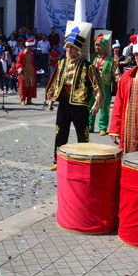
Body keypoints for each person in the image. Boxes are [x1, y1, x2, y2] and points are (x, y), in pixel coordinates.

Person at [46, 22, 103, 171]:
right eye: (67, 47)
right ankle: (57, 160)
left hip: (80, 105)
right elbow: (56, 81)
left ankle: (83, 161)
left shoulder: (87, 66)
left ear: (78, 49)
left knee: (82, 134)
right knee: (60, 132)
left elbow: (98, 86)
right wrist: (51, 99)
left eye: (72, 47)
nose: (69, 50)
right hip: (64, 102)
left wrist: (97, 103)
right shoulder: (61, 63)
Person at [89, 33, 119, 135]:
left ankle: (103, 127)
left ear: (104, 47)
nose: (97, 47)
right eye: (96, 45)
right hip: (92, 86)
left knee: (104, 107)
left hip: (104, 86)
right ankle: (89, 125)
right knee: (90, 106)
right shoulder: (92, 57)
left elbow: (116, 74)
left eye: (99, 45)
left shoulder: (110, 60)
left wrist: (121, 84)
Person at [17, 38, 38, 105]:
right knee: (24, 87)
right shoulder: (22, 54)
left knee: (30, 86)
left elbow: (33, 63)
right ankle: (22, 100)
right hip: (24, 72)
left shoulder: (32, 54)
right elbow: (18, 62)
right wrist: (20, 68)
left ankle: (29, 99)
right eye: (32, 46)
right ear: (29, 46)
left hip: (31, 72)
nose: (32, 47)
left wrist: (37, 70)